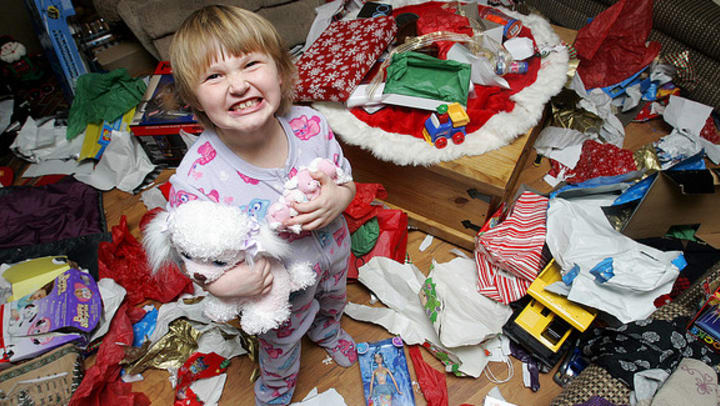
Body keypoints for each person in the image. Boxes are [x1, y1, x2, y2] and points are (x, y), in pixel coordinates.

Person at [167, 5, 357, 405]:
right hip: (276, 290)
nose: (237, 86)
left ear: (281, 71)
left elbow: (344, 177)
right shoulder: (197, 178)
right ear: (194, 99)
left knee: (334, 301)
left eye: (251, 64)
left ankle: (327, 332)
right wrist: (222, 285)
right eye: (214, 76)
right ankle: (275, 390)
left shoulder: (311, 126)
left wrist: (341, 196)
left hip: (336, 253)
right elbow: (192, 256)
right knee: (280, 343)